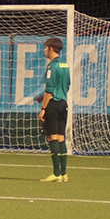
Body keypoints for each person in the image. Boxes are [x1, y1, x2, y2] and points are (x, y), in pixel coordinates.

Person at [38, 37, 71, 182]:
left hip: (53, 104)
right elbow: (67, 84)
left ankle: (56, 174)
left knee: (52, 137)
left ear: (51, 48)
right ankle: (63, 173)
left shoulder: (52, 67)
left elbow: (50, 89)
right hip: (63, 103)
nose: (44, 50)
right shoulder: (65, 65)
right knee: (61, 138)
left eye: (45, 48)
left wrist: (43, 108)